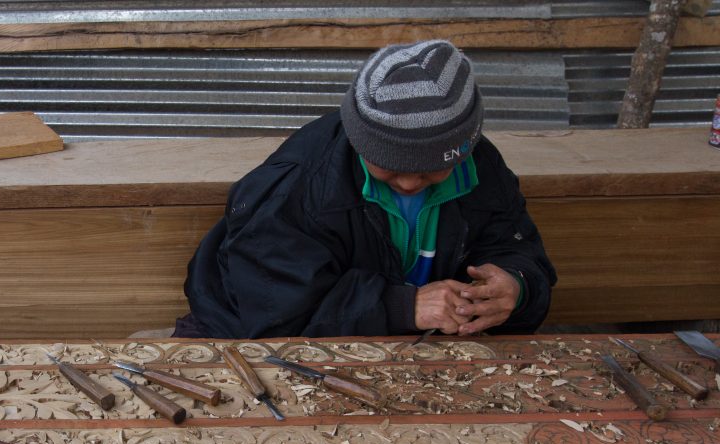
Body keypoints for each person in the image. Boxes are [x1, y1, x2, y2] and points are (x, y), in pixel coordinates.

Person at [177, 39, 556, 339]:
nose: (409, 183)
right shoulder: (298, 185)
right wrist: (403, 307)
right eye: (389, 168)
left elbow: (518, 250)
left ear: (462, 151)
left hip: (410, 340)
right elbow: (274, 313)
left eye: (430, 171)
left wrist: (516, 287)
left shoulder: (480, 167)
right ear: (360, 143)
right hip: (243, 331)